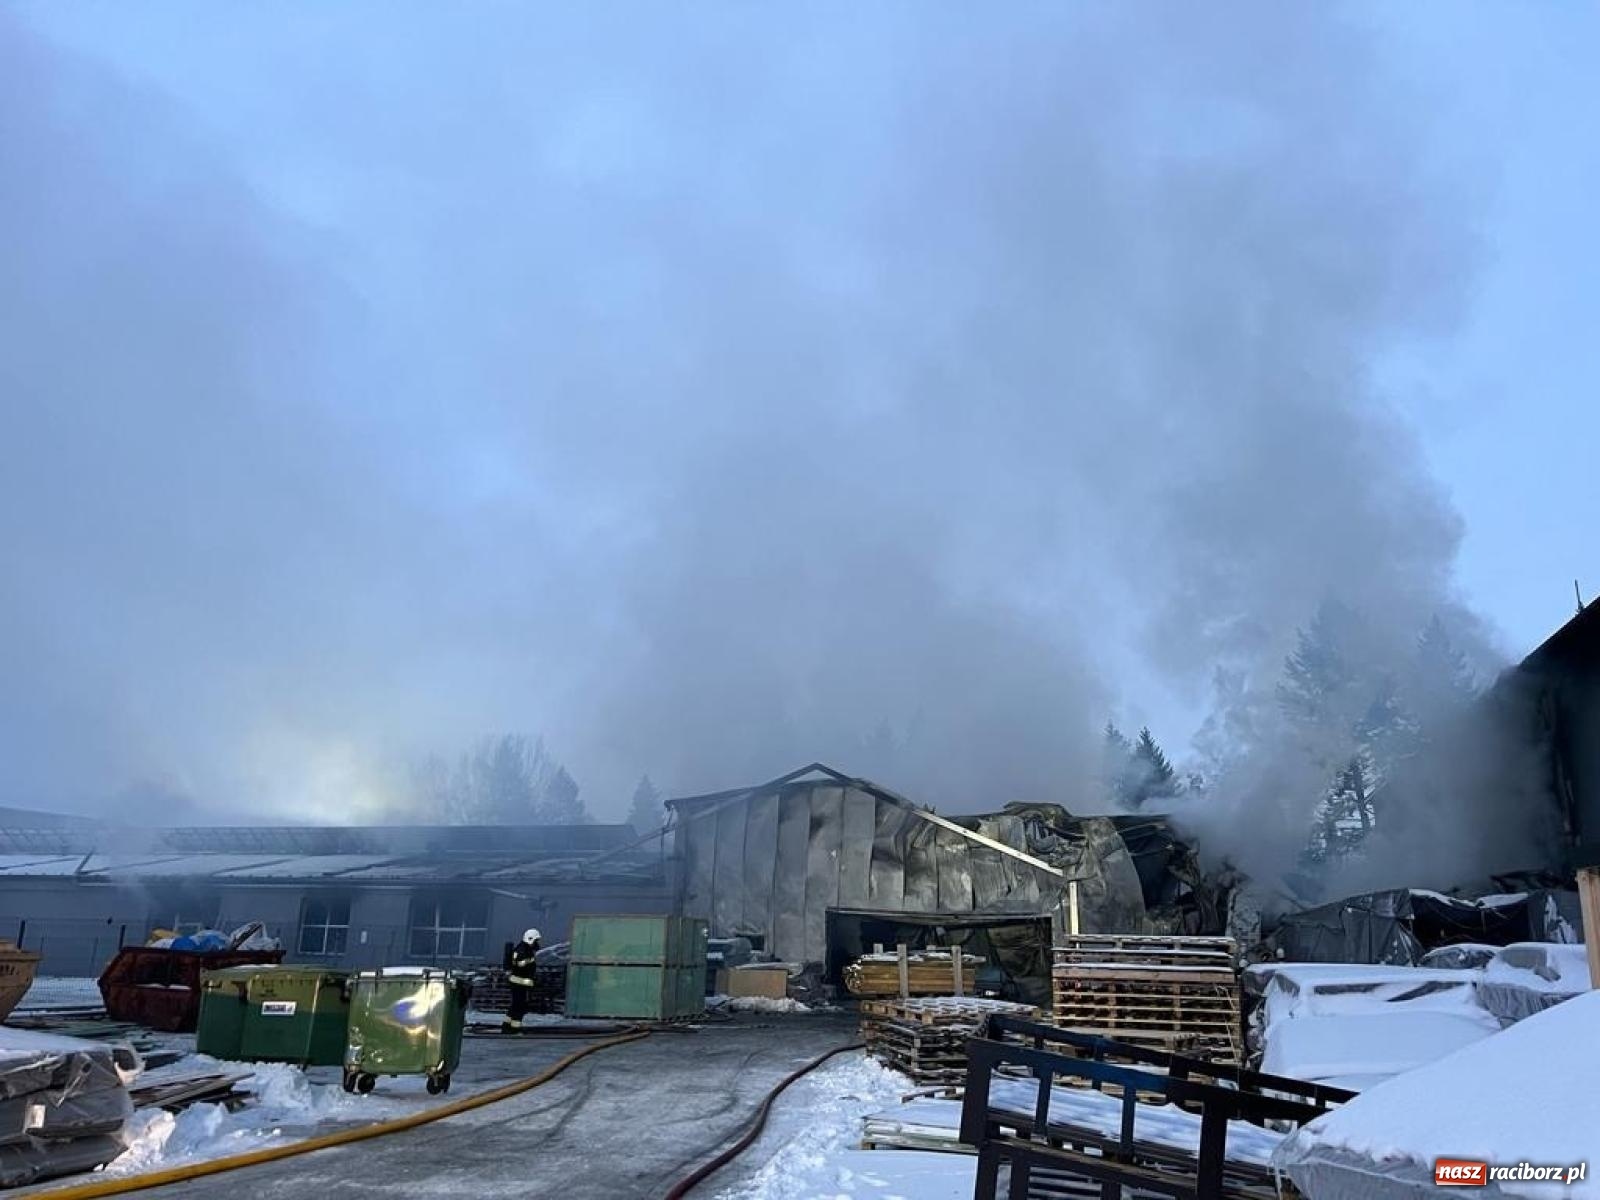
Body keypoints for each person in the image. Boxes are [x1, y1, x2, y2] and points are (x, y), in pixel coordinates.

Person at [503, 928, 541, 1030]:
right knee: (520, 1006)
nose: (536, 943)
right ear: (530, 939)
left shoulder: (523, 948)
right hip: (519, 982)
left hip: (518, 982)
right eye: (535, 941)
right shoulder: (523, 950)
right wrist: (530, 961)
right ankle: (514, 1029)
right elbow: (520, 964)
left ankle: (506, 1026)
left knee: (515, 1005)